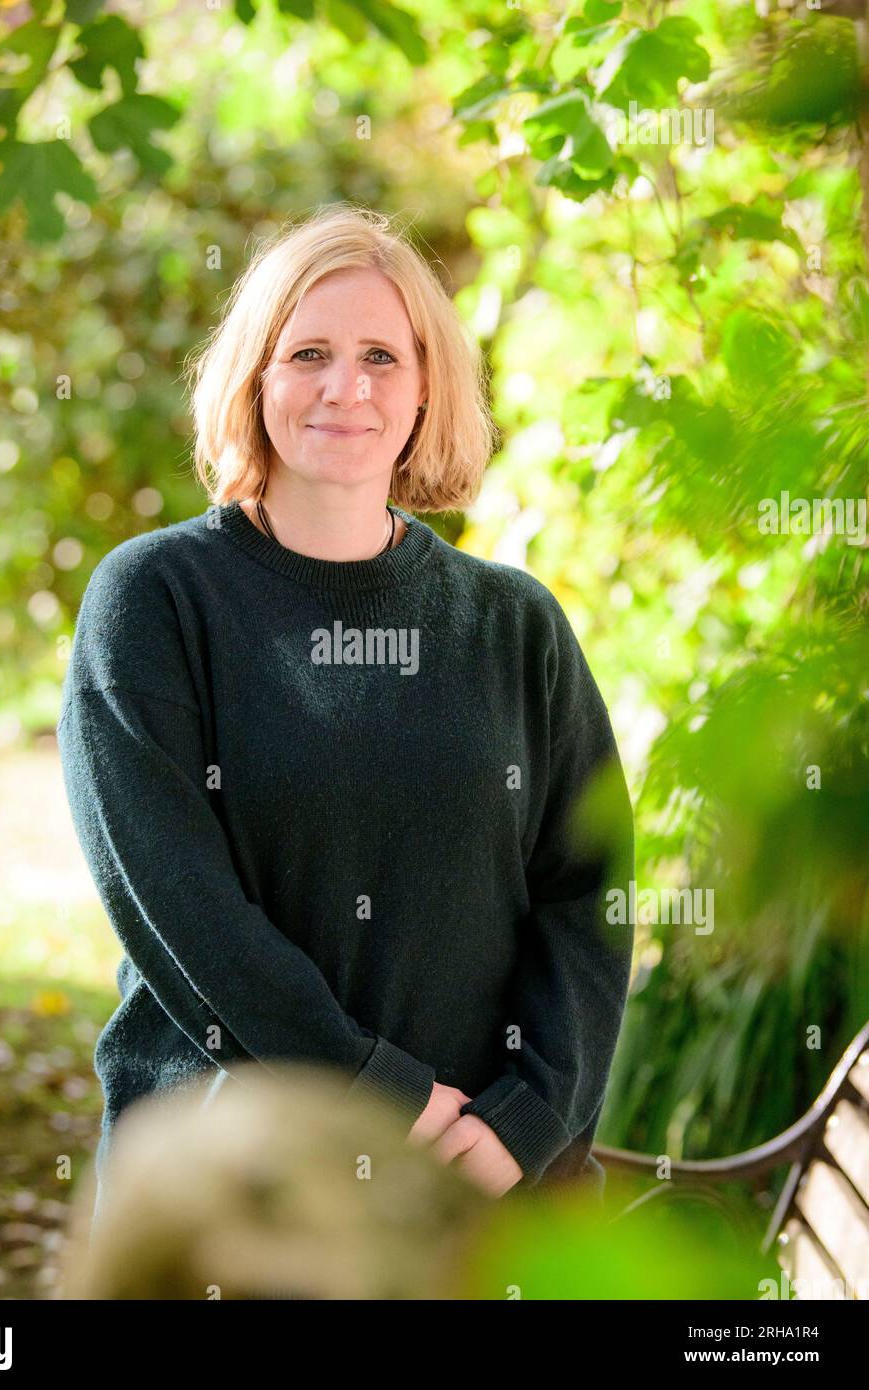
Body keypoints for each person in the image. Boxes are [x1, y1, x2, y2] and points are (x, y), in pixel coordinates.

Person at [57, 203, 635, 1234]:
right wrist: (376, 1092)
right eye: (308, 352)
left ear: (427, 389)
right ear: (255, 377)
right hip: (232, 1191)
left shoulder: (513, 623)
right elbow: (177, 904)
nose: (346, 387)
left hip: (476, 1194)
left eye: (383, 355)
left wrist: (528, 1115)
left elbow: (590, 893)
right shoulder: (154, 600)